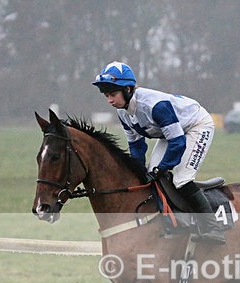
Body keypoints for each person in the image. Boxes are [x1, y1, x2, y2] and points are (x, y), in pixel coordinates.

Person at [92, 61, 225, 245]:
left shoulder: (155, 106)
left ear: (128, 89)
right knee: (151, 174)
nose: (110, 100)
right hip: (172, 132)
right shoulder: (123, 113)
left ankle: (212, 227)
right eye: (106, 95)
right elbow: (137, 147)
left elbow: (177, 142)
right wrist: (140, 171)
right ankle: (171, 218)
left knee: (181, 178)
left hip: (196, 126)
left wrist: (163, 167)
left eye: (113, 94)